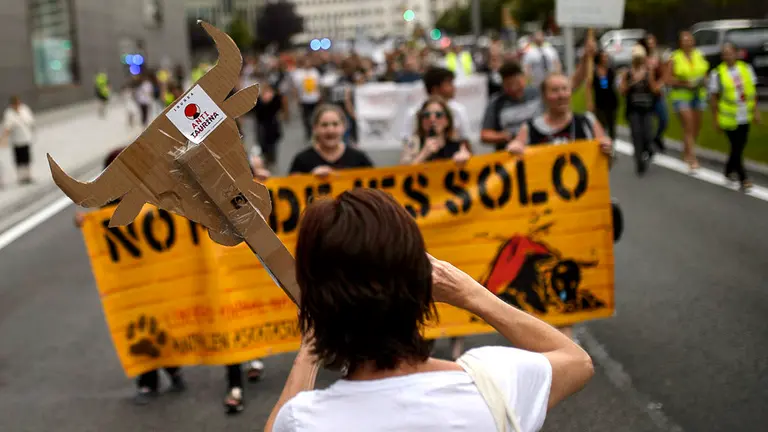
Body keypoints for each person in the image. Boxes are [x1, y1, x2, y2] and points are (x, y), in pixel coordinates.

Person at [264, 188, 594, 432]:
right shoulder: (496, 382)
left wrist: (310, 347)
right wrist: (473, 294)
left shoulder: (305, 421)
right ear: (423, 279)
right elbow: (576, 360)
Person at [506, 73, 614, 341]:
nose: (561, 95)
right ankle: (554, 332)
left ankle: (565, 331)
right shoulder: (530, 128)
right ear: (545, 96)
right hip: (543, 217)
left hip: (578, 214)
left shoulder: (587, 123)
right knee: (546, 270)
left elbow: (605, 166)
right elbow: (513, 161)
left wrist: (607, 152)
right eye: (554, 90)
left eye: (565, 89)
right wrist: (515, 150)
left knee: (570, 269)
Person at [709, 42, 761, 191]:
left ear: (736, 53)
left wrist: (756, 111)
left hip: (745, 113)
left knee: (739, 145)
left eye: (730, 52)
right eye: (724, 53)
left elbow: (753, 91)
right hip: (728, 117)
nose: (728, 56)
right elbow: (714, 98)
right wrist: (716, 118)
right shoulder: (717, 73)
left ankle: (728, 170)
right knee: (736, 146)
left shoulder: (746, 69)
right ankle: (743, 178)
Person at [289, 105, 373, 176]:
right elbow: (288, 192)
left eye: (335, 124)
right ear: (314, 128)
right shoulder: (301, 160)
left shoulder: (359, 159)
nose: (330, 130)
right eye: (324, 125)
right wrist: (310, 178)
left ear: (344, 127)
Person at [667, 31, 710, 172]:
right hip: (682, 96)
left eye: (689, 40)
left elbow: (704, 73)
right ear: (680, 43)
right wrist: (684, 83)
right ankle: (692, 158)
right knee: (689, 125)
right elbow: (668, 79)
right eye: (684, 40)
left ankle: (686, 150)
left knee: (696, 126)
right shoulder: (675, 58)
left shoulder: (699, 55)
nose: (687, 43)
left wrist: (704, 81)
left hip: (698, 95)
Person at [620, 45, 662, 176]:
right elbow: (622, 91)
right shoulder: (627, 73)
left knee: (648, 134)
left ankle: (649, 150)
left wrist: (649, 79)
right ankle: (639, 161)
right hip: (633, 109)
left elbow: (655, 90)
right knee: (636, 134)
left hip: (647, 108)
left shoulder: (648, 72)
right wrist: (633, 81)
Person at [401, 67, 472, 145]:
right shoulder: (414, 113)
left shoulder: (458, 110)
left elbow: (465, 141)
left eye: (439, 115)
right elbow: (407, 142)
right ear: (435, 89)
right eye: (449, 84)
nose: (453, 87)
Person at [401, 96, 472, 167]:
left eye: (438, 115)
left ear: (447, 120)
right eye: (426, 115)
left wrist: (466, 162)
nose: (432, 119)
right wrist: (423, 154)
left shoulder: (457, 145)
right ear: (421, 120)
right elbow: (402, 173)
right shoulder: (413, 144)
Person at [641, 33, 670, 153]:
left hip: (657, 94)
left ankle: (657, 137)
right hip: (645, 95)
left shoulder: (659, 57)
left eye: (653, 42)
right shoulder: (642, 57)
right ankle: (647, 145)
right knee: (647, 123)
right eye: (649, 43)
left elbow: (664, 74)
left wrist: (659, 85)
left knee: (664, 119)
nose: (651, 45)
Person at [1, 95, 35, 185]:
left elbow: (31, 121)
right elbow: (7, 127)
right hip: (16, 140)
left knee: (27, 158)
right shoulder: (9, 113)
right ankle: (21, 177)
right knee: (19, 159)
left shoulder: (24, 109)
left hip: (26, 138)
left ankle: (28, 176)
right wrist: (3, 138)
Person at [252, 79, 283, 166]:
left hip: (272, 125)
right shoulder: (258, 99)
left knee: (272, 144)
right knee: (262, 144)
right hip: (262, 126)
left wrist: (271, 100)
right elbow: (255, 112)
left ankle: (271, 159)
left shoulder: (276, 98)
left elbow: (278, 108)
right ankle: (266, 158)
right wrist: (262, 101)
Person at [291, 57, 322, 140]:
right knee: (305, 117)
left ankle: (315, 131)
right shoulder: (298, 73)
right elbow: (295, 87)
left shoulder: (315, 72)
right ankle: (308, 132)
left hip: (314, 98)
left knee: (315, 115)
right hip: (304, 99)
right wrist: (297, 98)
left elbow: (318, 85)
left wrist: (319, 95)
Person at [592, 50, 619, 141]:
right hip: (600, 102)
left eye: (606, 57)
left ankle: (612, 143)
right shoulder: (594, 71)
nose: (605, 59)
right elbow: (589, 86)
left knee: (612, 125)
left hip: (611, 101)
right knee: (601, 125)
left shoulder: (610, 70)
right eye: (603, 57)